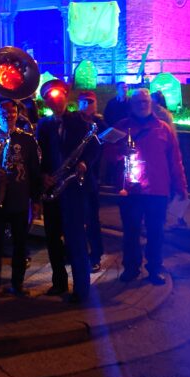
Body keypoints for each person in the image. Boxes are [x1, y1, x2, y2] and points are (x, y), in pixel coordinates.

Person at [117, 87, 188, 285]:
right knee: (131, 231)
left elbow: (175, 160)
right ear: (132, 105)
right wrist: (119, 152)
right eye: (138, 102)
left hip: (157, 189)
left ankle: (155, 268)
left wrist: (181, 185)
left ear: (151, 104)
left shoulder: (163, 129)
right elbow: (107, 155)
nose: (142, 105)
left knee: (156, 232)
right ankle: (131, 268)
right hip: (131, 190)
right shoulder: (122, 127)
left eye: (145, 102)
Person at [36, 81, 98, 303]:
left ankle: (81, 288)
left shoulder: (80, 121)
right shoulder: (43, 125)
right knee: (53, 239)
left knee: (76, 239)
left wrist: (84, 163)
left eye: (59, 96)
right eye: (51, 99)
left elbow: (94, 147)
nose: (56, 101)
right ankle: (59, 282)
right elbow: (38, 155)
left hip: (74, 188)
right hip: (53, 187)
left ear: (65, 97)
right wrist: (43, 175)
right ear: (47, 102)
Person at [0, 98, 41, 299]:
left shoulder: (27, 139)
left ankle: (18, 283)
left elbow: (34, 170)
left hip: (19, 198)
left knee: (20, 243)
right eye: (3, 111)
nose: (8, 114)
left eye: (12, 111)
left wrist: (36, 199)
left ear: (17, 113)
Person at [76, 90, 106, 272]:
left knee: (92, 218)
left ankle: (95, 255)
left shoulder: (100, 123)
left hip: (91, 176)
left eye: (90, 102)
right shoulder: (73, 121)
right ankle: (77, 252)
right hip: (74, 175)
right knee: (75, 218)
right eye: (84, 102)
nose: (87, 105)